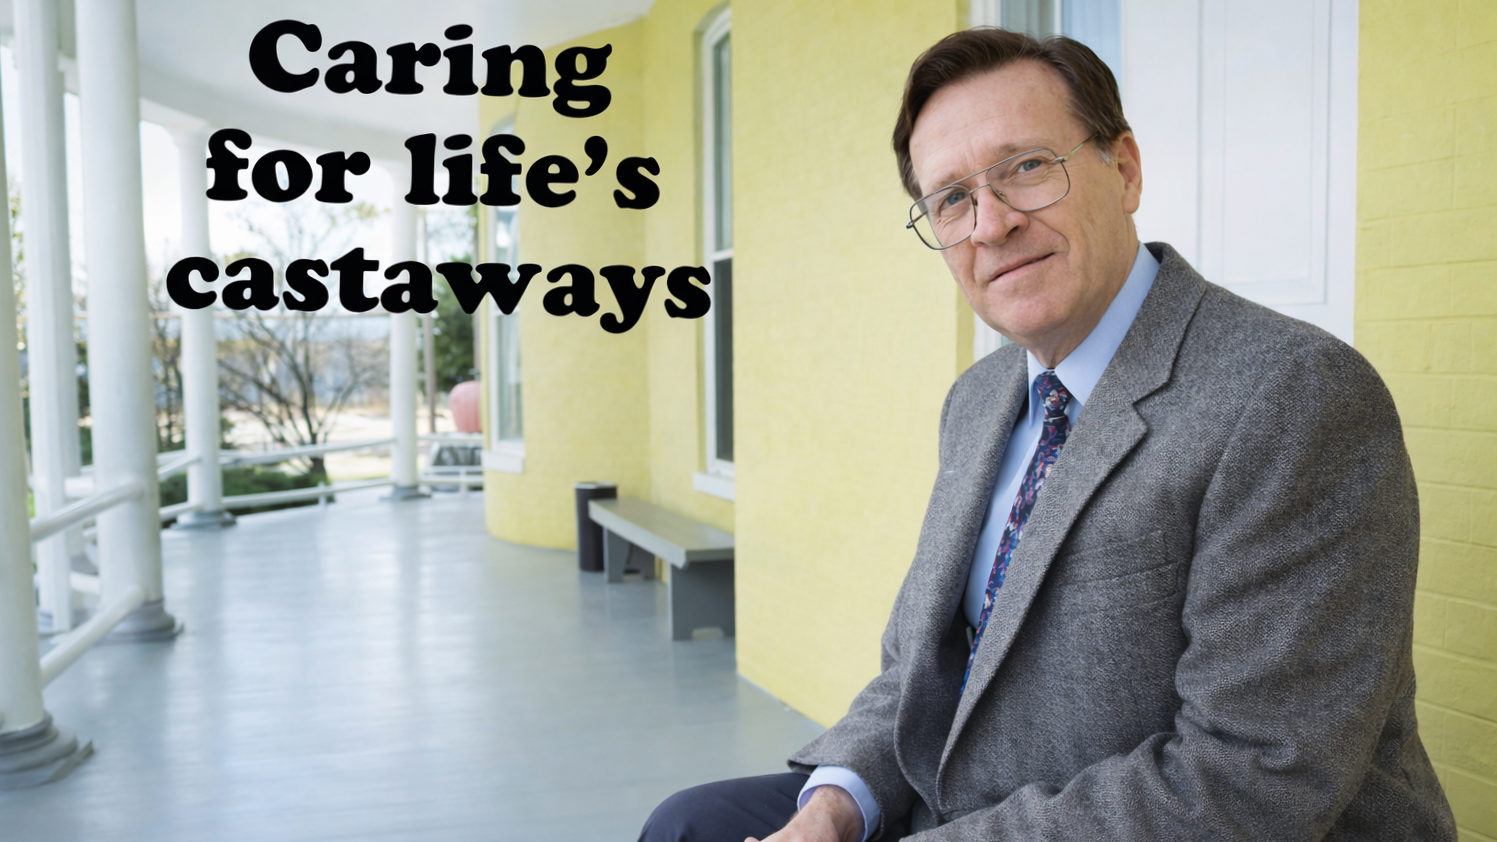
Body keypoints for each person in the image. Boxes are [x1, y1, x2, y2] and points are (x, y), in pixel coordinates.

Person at [639, 28, 1456, 842]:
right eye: (950, 199)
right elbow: (922, 668)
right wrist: (833, 807)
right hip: (975, 793)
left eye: (1026, 167)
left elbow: (1251, 781)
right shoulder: (979, 400)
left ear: (1124, 169)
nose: (989, 225)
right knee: (688, 825)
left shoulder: (1290, 396)